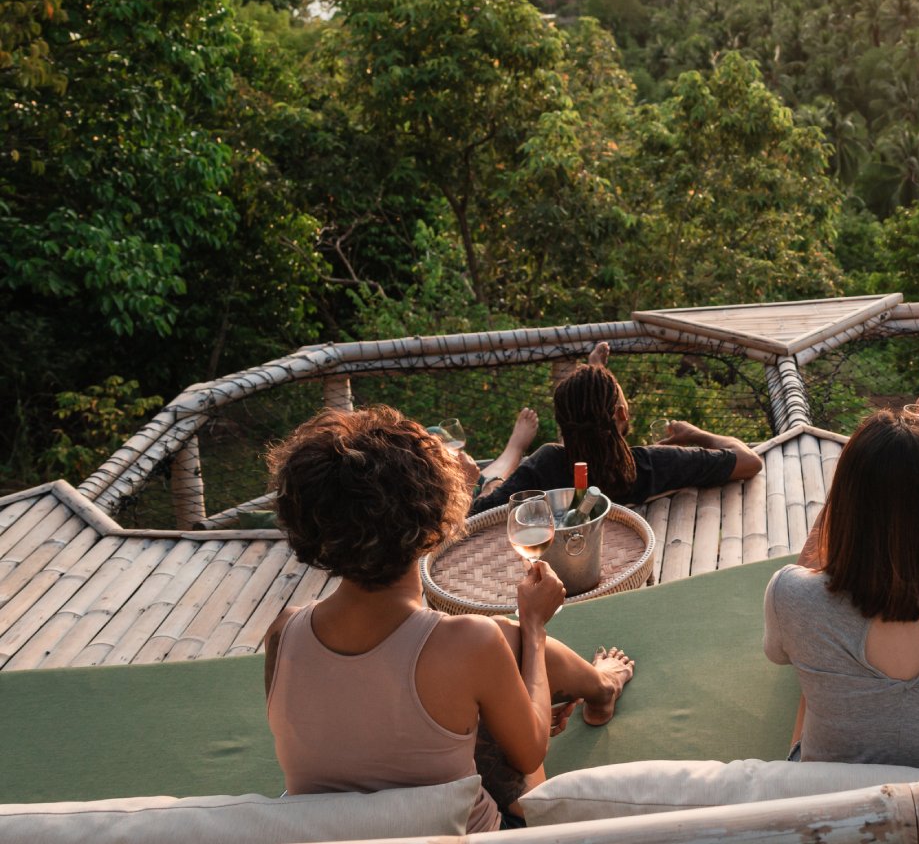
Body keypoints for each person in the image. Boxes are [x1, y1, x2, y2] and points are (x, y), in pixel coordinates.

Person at [264, 406, 634, 832]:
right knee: (505, 639)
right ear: (431, 514)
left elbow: (360, 720)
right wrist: (533, 626)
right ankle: (600, 687)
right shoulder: (467, 643)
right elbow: (530, 752)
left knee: (484, 655)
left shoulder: (284, 630)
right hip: (457, 834)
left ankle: (598, 687)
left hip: (334, 833)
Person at [762, 408, 919, 771]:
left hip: (831, 794)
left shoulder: (788, 593)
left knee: (813, 665)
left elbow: (779, 655)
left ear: (846, 507)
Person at [472, 341, 761, 515]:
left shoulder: (545, 466)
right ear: (622, 414)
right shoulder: (652, 465)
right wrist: (695, 434)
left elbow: (481, 511)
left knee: (490, 475)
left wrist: (494, 481)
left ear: (562, 423)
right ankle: (595, 372)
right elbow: (750, 461)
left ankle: (513, 449)